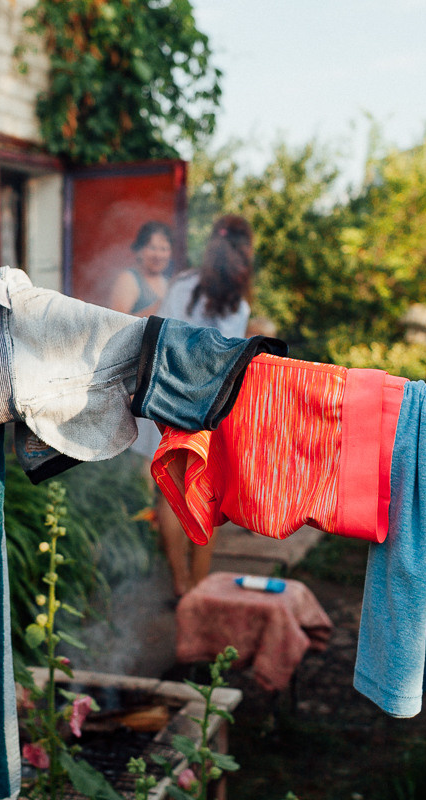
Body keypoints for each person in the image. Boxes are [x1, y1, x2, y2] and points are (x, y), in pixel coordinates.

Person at [153, 215, 257, 597]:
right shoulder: (238, 305)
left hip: (169, 396)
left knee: (171, 493)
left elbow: (160, 334)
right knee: (204, 496)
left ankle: (180, 584)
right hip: (210, 407)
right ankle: (198, 588)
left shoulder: (181, 285)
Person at [107, 220, 173, 316]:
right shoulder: (128, 279)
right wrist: (159, 307)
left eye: (164, 249)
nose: (158, 255)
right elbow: (116, 323)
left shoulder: (168, 283)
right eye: (152, 248)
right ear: (139, 250)